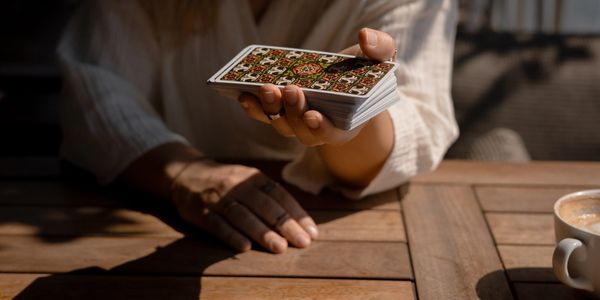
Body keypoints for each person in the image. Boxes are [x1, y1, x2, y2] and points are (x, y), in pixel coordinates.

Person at [57, 0, 459, 254]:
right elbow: (95, 90)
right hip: (158, 218)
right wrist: (183, 170)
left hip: (334, 233)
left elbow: (415, 127)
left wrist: (352, 115)